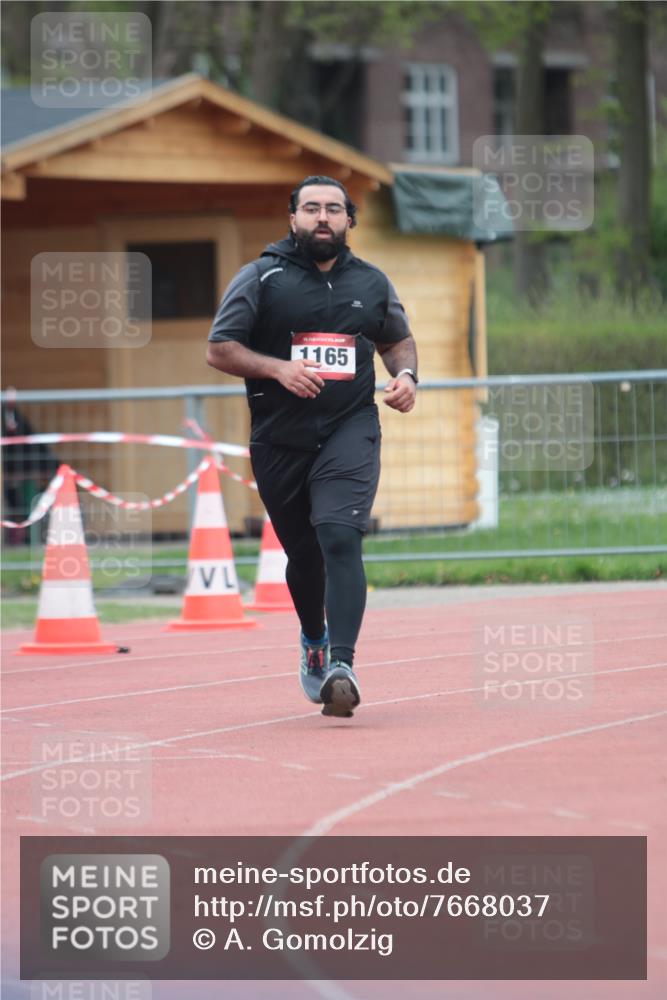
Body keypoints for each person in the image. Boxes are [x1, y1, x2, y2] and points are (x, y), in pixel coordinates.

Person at [206, 175, 418, 718]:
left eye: (333, 209)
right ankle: (313, 638)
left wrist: (408, 375)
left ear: (350, 220)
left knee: (340, 536)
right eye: (311, 209)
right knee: (304, 556)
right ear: (292, 218)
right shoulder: (262, 277)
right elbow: (220, 349)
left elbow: (395, 339)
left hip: (350, 428)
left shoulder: (370, 281)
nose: (322, 218)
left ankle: (342, 664)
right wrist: (278, 368)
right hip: (280, 438)